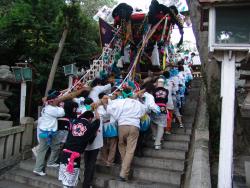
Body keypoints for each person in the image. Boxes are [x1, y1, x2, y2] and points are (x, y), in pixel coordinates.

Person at [105, 88, 147, 181]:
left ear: (123, 94)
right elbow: (144, 111)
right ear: (131, 94)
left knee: (121, 145)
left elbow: (109, 109)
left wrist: (107, 100)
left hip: (122, 126)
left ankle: (124, 169)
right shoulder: (138, 103)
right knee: (130, 150)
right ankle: (124, 172)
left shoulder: (119, 102)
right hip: (134, 126)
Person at [58, 110, 100, 188]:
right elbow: (98, 121)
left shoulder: (75, 122)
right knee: (71, 177)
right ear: (90, 118)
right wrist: (96, 109)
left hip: (65, 152)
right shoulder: (89, 126)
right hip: (74, 155)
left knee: (65, 177)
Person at [33, 89, 65, 176]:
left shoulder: (46, 107)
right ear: (52, 101)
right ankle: (41, 167)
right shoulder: (51, 109)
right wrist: (61, 106)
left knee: (51, 148)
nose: (57, 101)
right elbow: (62, 113)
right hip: (49, 132)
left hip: (45, 132)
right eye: (56, 100)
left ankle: (47, 164)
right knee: (52, 148)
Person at [82, 95, 104, 188]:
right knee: (90, 164)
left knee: (88, 164)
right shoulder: (90, 114)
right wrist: (95, 109)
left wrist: (94, 109)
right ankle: (87, 183)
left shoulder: (98, 111)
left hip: (88, 143)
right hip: (91, 143)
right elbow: (98, 119)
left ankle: (87, 182)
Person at [99, 93, 118, 166]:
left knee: (111, 144)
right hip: (105, 126)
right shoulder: (100, 106)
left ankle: (109, 161)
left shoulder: (110, 105)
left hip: (110, 125)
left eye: (107, 98)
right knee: (104, 144)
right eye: (104, 98)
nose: (106, 99)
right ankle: (106, 160)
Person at [151, 78, 169, 150]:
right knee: (161, 126)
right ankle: (157, 144)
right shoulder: (166, 91)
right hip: (163, 108)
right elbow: (166, 100)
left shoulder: (154, 91)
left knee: (153, 122)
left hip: (155, 108)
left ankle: (155, 136)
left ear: (157, 83)